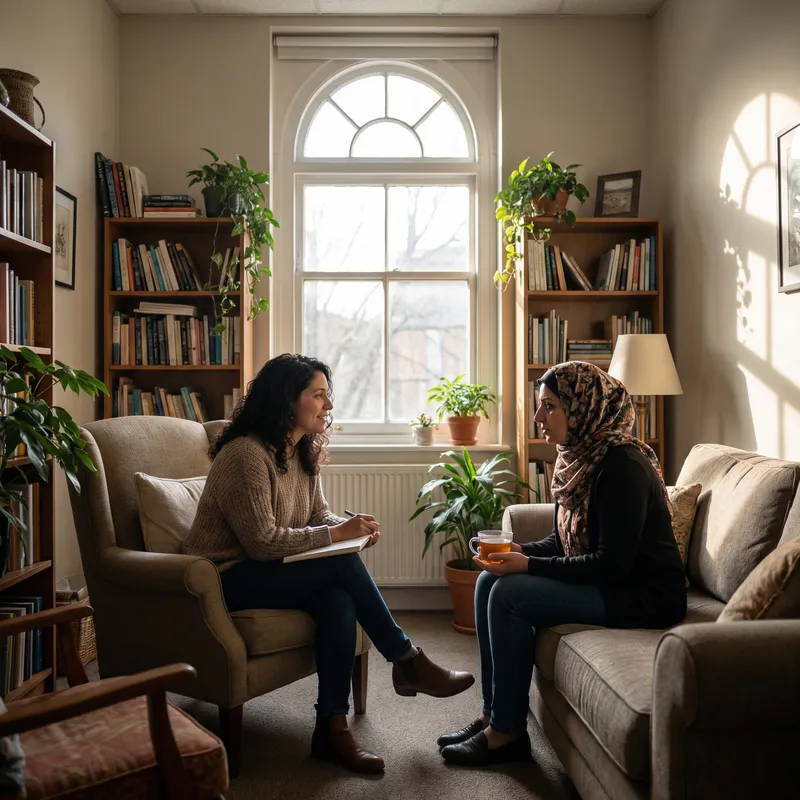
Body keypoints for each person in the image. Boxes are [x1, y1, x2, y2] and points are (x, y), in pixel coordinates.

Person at [182, 353, 474, 774]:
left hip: (268, 571)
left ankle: (331, 730)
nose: (329, 406)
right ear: (287, 400)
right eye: (319, 395)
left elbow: (318, 517)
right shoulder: (245, 455)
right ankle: (406, 660)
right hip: (224, 577)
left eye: (327, 395)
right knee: (341, 569)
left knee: (339, 600)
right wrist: (338, 536)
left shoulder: (299, 450)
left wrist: (349, 527)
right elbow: (262, 542)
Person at [439, 361, 686, 767]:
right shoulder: (579, 457)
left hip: (643, 595)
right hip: (613, 582)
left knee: (509, 593)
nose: (538, 418)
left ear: (581, 408)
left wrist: (527, 568)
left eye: (549, 406)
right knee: (487, 580)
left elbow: (612, 565)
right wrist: (513, 551)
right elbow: (564, 541)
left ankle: (508, 734)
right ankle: (493, 715)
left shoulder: (622, 466)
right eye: (540, 406)